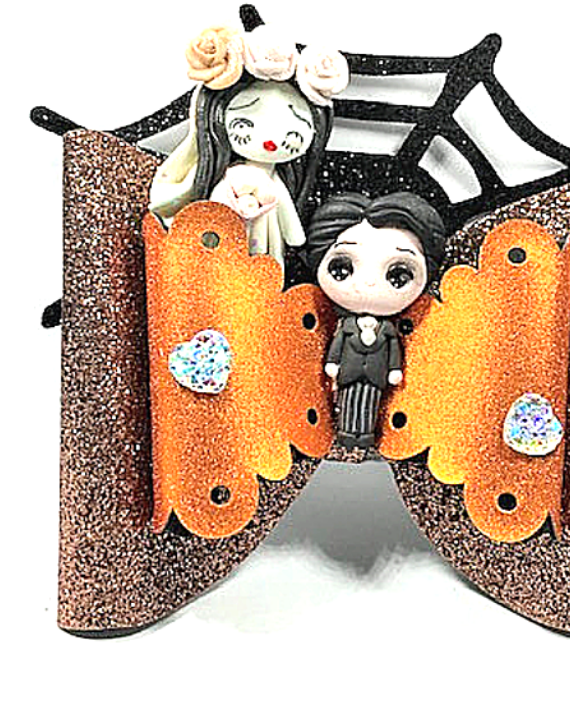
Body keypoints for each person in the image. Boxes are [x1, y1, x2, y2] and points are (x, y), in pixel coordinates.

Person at [150, 23, 347, 267]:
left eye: (294, 128)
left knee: (266, 264)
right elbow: (215, 208)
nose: (271, 140)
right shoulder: (227, 179)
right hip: (223, 240)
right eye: (247, 122)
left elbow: (289, 218)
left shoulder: (277, 186)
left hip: (265, 248)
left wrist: (295, 238)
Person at [306, 192, 446, 450]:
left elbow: (393, 350)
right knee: (348, 404)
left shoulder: (388, 330)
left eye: (398, 275)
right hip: (348, 374)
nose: (369, 282)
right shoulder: (346, 327)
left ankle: (365, 435)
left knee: (369, 405)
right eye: (342, 269)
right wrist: (333, 363)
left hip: (376, 376)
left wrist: (394, 369)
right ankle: (347, 433)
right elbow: (337, 345)